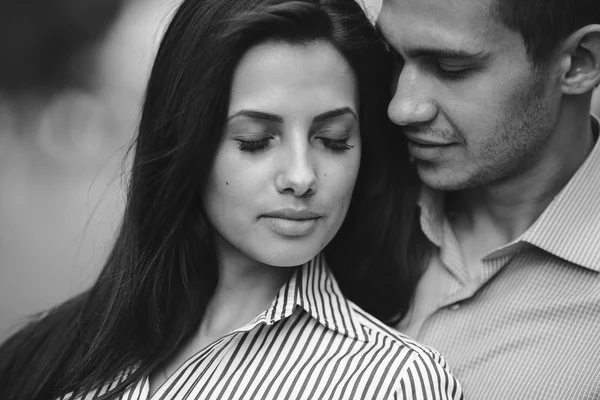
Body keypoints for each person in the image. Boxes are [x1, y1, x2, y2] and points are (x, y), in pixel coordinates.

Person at [0, 0, 464, 399]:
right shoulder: (49, 355)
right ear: (188, 146)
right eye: (256, 140)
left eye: (333, 139)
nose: (302, 177)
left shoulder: (392, 381)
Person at [377, 0, 600, 398]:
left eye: (452, 69)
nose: (401, 107)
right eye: (393, 56)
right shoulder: (346, 202)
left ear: (580, 62)